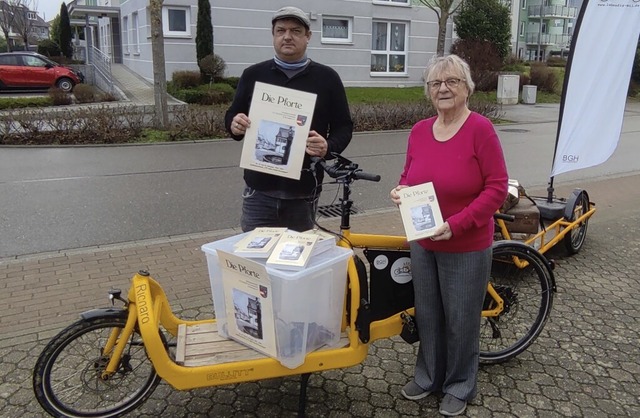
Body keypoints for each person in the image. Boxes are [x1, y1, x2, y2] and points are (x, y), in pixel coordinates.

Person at [390, 54, 508, 416]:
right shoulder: (419, 130)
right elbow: (409, 174)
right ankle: (428, 377)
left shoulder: (480, 130)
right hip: (423, 239)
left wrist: (458, 223)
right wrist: (401, 189)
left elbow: (497, 188)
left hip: (465, 244)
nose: (443, 88)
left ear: (467, 88)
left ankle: (460, 385)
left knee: (460, 319)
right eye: (436, 83)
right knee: (427, 313)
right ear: (428, 91)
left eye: (452, 81)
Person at [225, 6, 353, 232]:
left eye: (295, 31)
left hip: (303, 192)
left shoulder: (327, 78)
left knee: (296, 261)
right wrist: (235, 124)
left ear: (308, 37)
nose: (287, 36)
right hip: (258, 191)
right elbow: (232, 115)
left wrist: (328, 147)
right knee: (256, 259)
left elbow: (344, 126)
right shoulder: (253, 74)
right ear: (273, 35)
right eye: (280, 30)